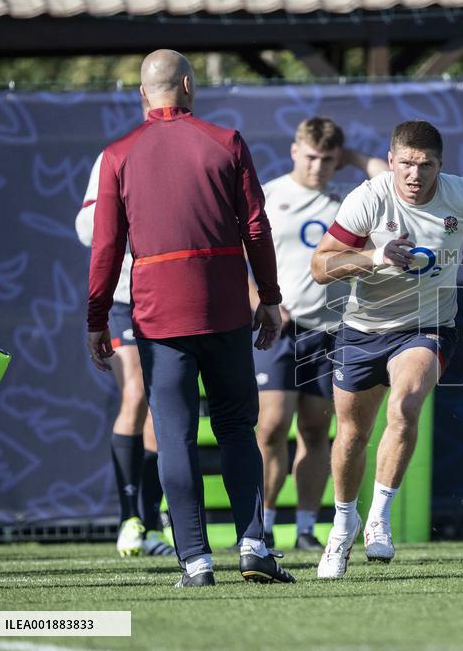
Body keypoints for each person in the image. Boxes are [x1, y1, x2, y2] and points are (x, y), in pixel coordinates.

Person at [86, 49, 293, 587]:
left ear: (143, 93)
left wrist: (96, 317)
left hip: (157, 316)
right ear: (188, 85)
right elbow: (255, 228)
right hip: (224, 308)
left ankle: (196, 562)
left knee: (174, 435)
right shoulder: (226, 141)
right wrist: (268, 297)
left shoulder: (118, 154)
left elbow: (106, 248)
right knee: (235, 428)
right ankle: (253, 547)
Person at [310, 120, 463, 578]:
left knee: (404, 407)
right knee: (351, 435)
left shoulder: (462, 194)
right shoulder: (369, 198)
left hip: (428, 326)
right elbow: (322, 266)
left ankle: (380, 517)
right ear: (391, 161)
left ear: (440, 166)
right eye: (406, 163)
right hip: (362, 329)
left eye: (425, 165)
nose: (414, 174)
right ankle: (343, 525)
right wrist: (372, 258)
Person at [251, 117, 388, 551]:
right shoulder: (271, 194)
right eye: (311, 157)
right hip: (278, 327)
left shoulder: (345, 202)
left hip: (330, 331)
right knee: (271, 426)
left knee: (317, 430)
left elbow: (387, 182)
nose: (318, 167)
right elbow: (239, 257)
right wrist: (261, 300)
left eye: (329, 159)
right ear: (294, 151)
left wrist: (354, 159)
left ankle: (307, 527)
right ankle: (264, 524)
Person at [77, 138, 175, 558]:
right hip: (123, 298)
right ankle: (128, 519)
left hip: (173, 297)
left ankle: (149, 523)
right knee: (135, 394)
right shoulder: (115, 156)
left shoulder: (191, 152)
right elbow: (87, 228)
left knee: (162, 406)